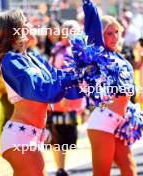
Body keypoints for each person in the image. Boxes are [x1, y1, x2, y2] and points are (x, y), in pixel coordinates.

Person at [0, 9, 82, 176]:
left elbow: (58, 77)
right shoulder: (10, 60)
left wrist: (84, 76)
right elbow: (41, 89)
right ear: (15, 31)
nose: (31, 25)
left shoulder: (32, 58)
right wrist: (72, 79)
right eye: (26, 22)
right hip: (19, 137)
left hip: (33, 136)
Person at [83, 0, 137, 175]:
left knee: (129, 170)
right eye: (108, 33)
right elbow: (92, 26)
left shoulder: (121, 59)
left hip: (120, 123)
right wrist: (88, 3)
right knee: (102, 173)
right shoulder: (99, 54)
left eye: (117, 32)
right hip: (103, 121)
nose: (114, 37)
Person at [47, 20, 84, 176]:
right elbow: (55, 75)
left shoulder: (79, 50)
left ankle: (61, 167)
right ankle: (60, 169)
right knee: (59, 136)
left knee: (67, 137)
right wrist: (61, 95)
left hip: (73, 102)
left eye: (74, 30)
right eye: (69, 30)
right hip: (62, 101)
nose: (71, 33)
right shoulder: (60, 51)